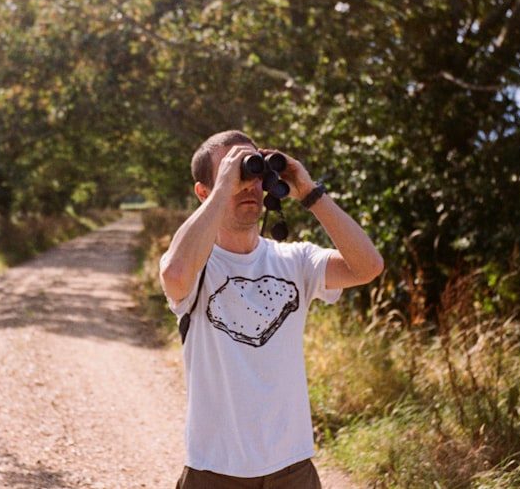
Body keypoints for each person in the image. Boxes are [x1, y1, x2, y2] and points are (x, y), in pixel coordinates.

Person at [160, 130, 385, 488]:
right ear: (204, 192)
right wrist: (222, 192)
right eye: (233, 175)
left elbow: (368, 267)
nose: (248, 184)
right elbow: (175, 275)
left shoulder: (295, 260)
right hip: (213, 469)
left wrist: (311, 194)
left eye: (253, 173)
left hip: (291, 468)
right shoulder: (196, 264)